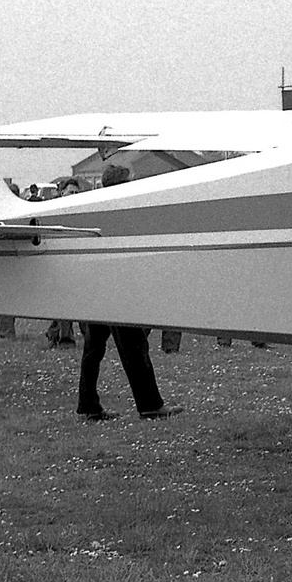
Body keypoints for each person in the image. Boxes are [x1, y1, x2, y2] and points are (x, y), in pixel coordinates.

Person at [75, 163, 183, 420]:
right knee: (135, 347)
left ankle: (88, 405)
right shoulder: (123, 212)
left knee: (92, 351)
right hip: (118, 289)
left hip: (95, 289)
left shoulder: (94, 208)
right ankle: (150, 405)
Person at [46, 178, 85, 348]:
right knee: (64, 303)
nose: (74, 195)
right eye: (71, 192)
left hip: (77, 263)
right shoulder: (53, 211)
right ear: (62, 193)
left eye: (77, 193)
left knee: (75, 303)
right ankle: (66, 340)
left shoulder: (81, 211)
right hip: (58, 263)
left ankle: (54, 333)